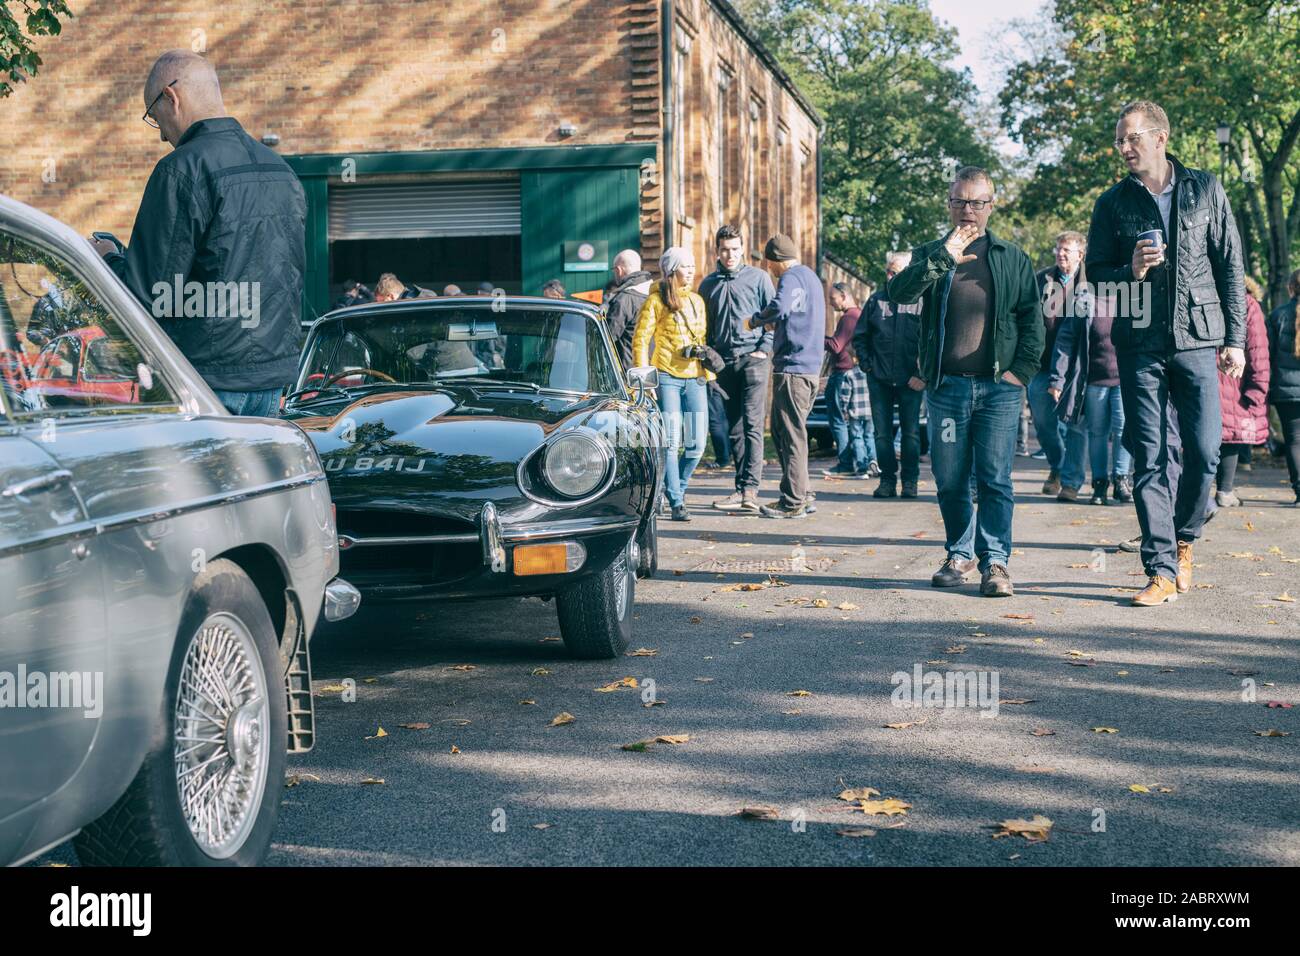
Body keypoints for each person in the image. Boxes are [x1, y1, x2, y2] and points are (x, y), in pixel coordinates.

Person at [1087, 100, 1246, 606]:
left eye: (1130, 138)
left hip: (1199, 337)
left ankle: (1185, 538)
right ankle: (1158, 568)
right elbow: (1094, 275)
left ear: (1159, 137)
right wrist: (1129, 270)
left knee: (1203, 452)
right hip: (1139, 342)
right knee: (1151, 457)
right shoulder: (1112, 203)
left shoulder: (1205, 188)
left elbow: (1230, 266)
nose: (1123, 148)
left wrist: (1235, 339)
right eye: (1119, 141)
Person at [91, 50, 305, 417]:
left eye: (155, 117)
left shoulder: (181, 170)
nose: (161, 135)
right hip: (272, 381)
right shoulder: (282, 172)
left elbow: (150, 294)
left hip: (206, 381)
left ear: (170, 98)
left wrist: (108, 258)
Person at [889, 166, 1043, 597]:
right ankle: (959, 554)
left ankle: (995, 562)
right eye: (960, 201)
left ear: (992, 206)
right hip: (948, 390)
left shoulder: (1011, 257)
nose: (968, 210)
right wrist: (943, 259)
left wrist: (1020, 375)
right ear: (949, 204)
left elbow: (1033, 319)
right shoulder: (931, 252)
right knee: (951, 477)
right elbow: (899, 294)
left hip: (998, 390)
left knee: (995, 478)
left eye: (977, 202)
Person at [745, 234, 825, 518]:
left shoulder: (790, 277)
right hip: (809, 366)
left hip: (793, 367)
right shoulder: (811, 277)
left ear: (775, 261)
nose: (769, 270)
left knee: (789, 434)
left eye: (769, 264)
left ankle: (792, 501)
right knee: (788, 431)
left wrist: (756, 320)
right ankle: (804, 492)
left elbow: (779, 307)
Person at [632, 247, 714, 522]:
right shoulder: (655, 301)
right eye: (685, 266)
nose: (691, 270)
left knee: (697, 444)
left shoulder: (697, 301)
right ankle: (677, 501)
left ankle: (673, 488)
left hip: (695, 377)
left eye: (692, 265)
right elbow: (641, 340)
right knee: (670, 441)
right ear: (671, 270)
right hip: (666, 377)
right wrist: (645, 381)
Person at [699, 225, 776, 514]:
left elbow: (773, 316)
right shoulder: (708, 285)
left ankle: (751, 491)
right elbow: (704, 327)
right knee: (734, 428)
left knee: (753, 425)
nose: (729, 254)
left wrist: (763, 349)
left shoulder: (759, 278)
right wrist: (709, 358)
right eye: (724, 249)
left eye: (734, 249)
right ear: (716, 251)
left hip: (753, 359)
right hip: (723, 363)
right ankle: (740, 489)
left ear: (742, 248)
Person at [1047, 284, 1133, 506]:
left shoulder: (1130, 295)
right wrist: (1058, 379)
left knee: (1123, 426)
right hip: (1094, 380)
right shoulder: (1084, 301)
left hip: (1123, 379)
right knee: (1097, 433)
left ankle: (1121, 478)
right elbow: (1065, 340)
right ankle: (1100, 483)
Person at [854, 251, 925, 498]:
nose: (891, 275)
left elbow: (931, 341)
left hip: (911, 381)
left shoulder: (921, 301)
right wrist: (868, 366)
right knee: (881, 434)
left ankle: (910, 481)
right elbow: (860, 337)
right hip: (880, 380)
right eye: (889, 271)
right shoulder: (876, 301)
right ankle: (887, 480)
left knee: (911, 434)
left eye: (896, 271)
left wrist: (922, 374)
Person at [1032, 233, 1090, 498]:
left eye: (1067, 250)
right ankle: (1057, 464)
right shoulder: (1041, 279)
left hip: (1079, 366)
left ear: (1081, 254)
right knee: (1043, 423)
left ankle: (1071, 482)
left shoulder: (1093, 282)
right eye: (1058, 249)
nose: (1061, 254)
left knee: (1077, 425)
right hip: (1043, 364)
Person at [1211, 276, 1271, 508]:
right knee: (1231, 437)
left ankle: (1203, 489)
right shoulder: (1248, 304)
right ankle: (1225, 490)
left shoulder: (1207, 297)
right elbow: (1258, 350)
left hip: (1209, 375)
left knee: (1208, 436)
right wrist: (1258, 388)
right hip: (1236, 379)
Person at [820, 283, 877, 478]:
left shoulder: (849, 317)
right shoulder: (857, 314)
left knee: (838, 420)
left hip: (844, 373)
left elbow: (836, 346)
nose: (830, 303)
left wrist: (816, 337)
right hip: (851, 373)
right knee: (861, 428)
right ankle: (863, 462)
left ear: (844, 296)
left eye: (833, 298)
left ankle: (846, 463)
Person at [1266, 268, 1300, 506]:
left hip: (1286, 391)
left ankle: (1299, 490)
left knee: (1294, 441)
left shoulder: (1278, 316)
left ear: (1290, 288)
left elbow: (1267, 355)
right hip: (1287, 390)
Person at [603, 249, 653, 373]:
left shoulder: (624, 299)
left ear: (619, 270)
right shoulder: (655, 293)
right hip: (656, 369)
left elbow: (609, 336)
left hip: (631, 371)